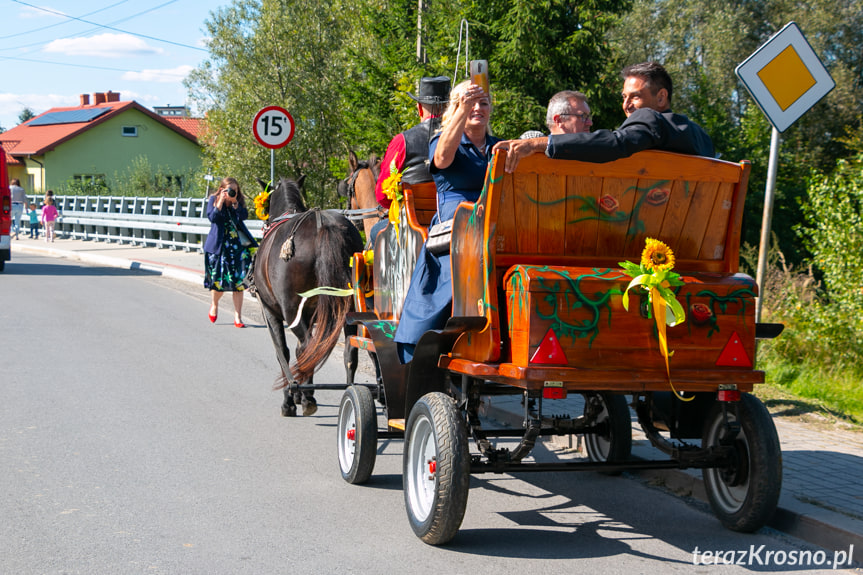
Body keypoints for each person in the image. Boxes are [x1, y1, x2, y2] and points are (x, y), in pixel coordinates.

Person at [393, 78, 501, 362]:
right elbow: (442, 159)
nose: (478, 108)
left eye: (484, 103)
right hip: (455, 231)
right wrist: (462, 110)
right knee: (465, 245)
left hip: (497, 227)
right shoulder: (441, 141)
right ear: (455, 108)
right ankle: (426, 343)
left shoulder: (499, 147)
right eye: (469, 103)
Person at [493, 62, 715, 173]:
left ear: (661, 98)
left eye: (635, 97)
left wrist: (537, 143)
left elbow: (615, 143)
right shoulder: (701, 138)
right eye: (624, 97)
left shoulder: (650, 119)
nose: (626, 106)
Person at [368, 75, 451, 246]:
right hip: (454, 220)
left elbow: (382, 195)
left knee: (375, 231)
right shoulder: (465, 138)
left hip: (414, 225)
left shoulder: (402, 141)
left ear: (420, 109)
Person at [203, 177, 258, 328]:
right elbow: (212, 218)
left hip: (237, 248)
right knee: (218, 282)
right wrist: (220, 202)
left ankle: (238, 317)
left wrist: (235, 203)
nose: (232, 192)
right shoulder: (214, 199)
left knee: (239, 284)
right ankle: (214, 304)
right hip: (219, 247)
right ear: (222, 189)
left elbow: (243, 217)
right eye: (228, 189)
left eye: (234, 189)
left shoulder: (237, 201)